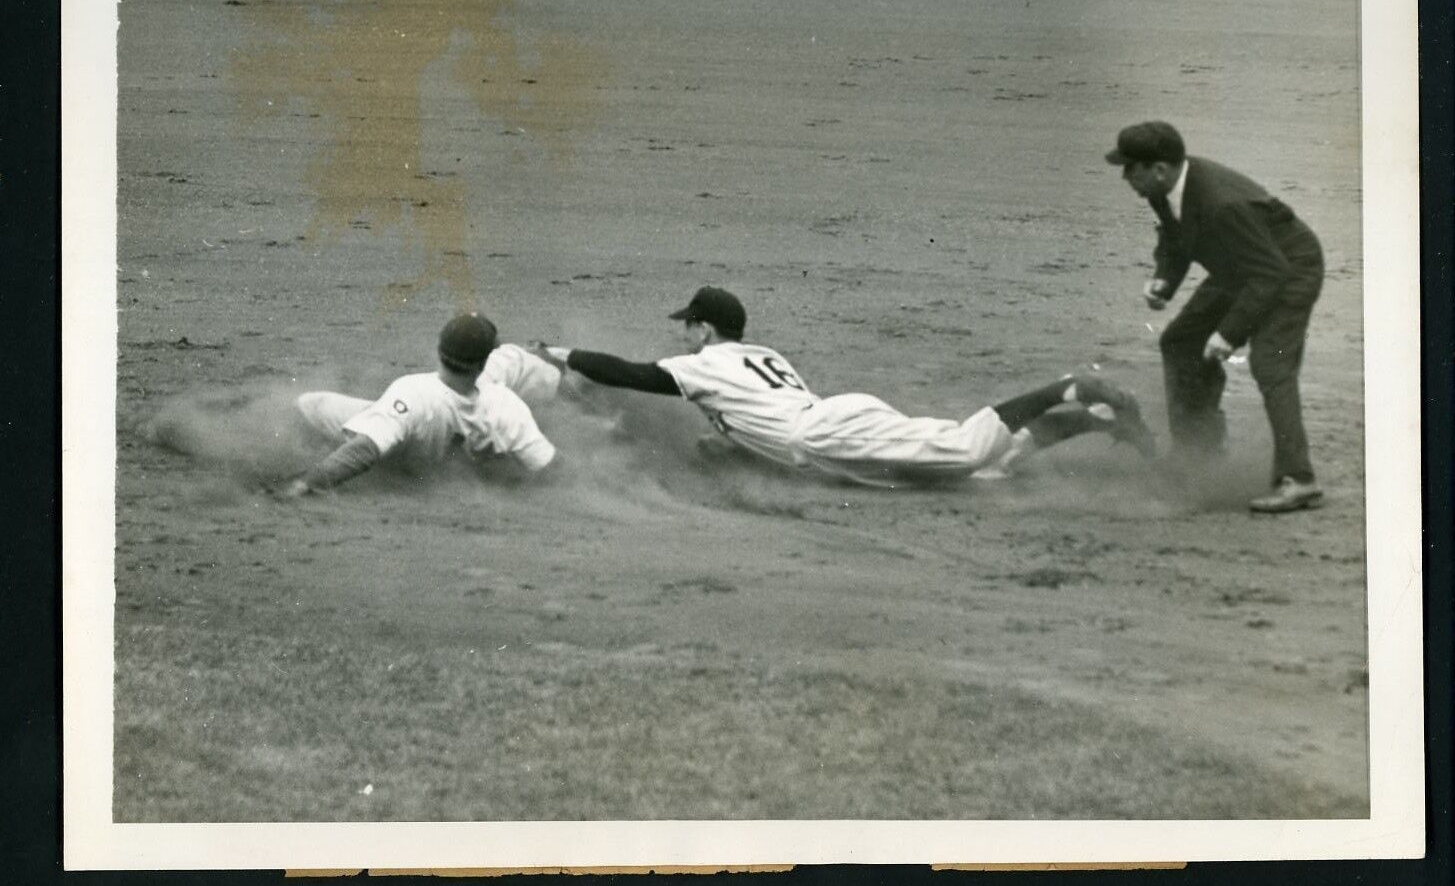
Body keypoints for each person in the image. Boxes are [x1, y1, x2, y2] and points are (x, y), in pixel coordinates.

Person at [533, 285, 1154, 488]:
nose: (684, 335)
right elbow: (747, 422)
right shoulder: (760, 354)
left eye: (688, 326)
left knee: (967, 448)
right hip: (830, 427)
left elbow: (632, 375)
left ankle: (1063, 387)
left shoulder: (705, 363)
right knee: (978, 479)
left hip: (827, 430)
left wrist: (562, 355)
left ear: (702, 327)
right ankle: (1078, 422)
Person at [1108, 120, 1325, 513]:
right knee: (1180, 341)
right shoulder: (1165, 189)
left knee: (1270, 364)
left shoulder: (1221, 203)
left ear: (1158, 168)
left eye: (1131, 168)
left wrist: (1228, 334)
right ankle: (1198, 451)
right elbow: (1175, 238)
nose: (1126, 177)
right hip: (1242, 267)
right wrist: (1164, 281)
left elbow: (1270, 273)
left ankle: (1299, 479)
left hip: (1289, 269)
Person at [279, 313, 559, 497]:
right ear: (484, 363)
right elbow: (548, 467)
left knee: (309, 403)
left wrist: (306, 483)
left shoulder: (413, 392)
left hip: (397, 455)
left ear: (439, 350)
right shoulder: (506, 405)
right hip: (443, 465)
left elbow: (364, 450)